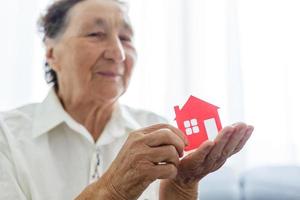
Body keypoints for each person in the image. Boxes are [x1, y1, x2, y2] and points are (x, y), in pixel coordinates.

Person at [0, 0, 254, 199]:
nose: (119, 54)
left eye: (125, 38)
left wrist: (183, 186)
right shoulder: (7, 137)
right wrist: (113, 190)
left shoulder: (158, 130)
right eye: (96, 34)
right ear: (52, 53)